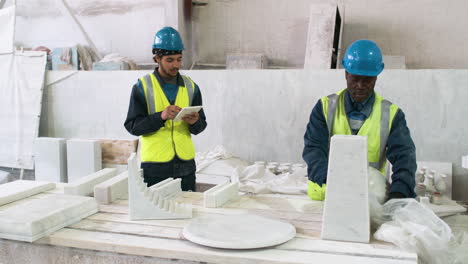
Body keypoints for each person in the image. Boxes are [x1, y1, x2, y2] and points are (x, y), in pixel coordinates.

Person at [303, 39, 416, 201]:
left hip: (370, 198)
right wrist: (331, 181)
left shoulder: (392, 114)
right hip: (326, 194)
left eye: (367, 80)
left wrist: (399, 193)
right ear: (346, 74)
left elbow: (405, 158)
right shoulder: (324, 107)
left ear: (376, 77)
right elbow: (314, 150)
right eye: (355, 78)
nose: (360, 85)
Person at [124, 27, 207, 191]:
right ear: (157, 58)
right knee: (158, 214)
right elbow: (132, 126)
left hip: (186, 168)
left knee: (189, 212)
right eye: (170, 60)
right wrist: (160, 117)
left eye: (179, 59)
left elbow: (201, 126)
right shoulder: (142, 87)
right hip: (155, 169)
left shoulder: (192, 87)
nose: (176, 65)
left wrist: (195, 122)